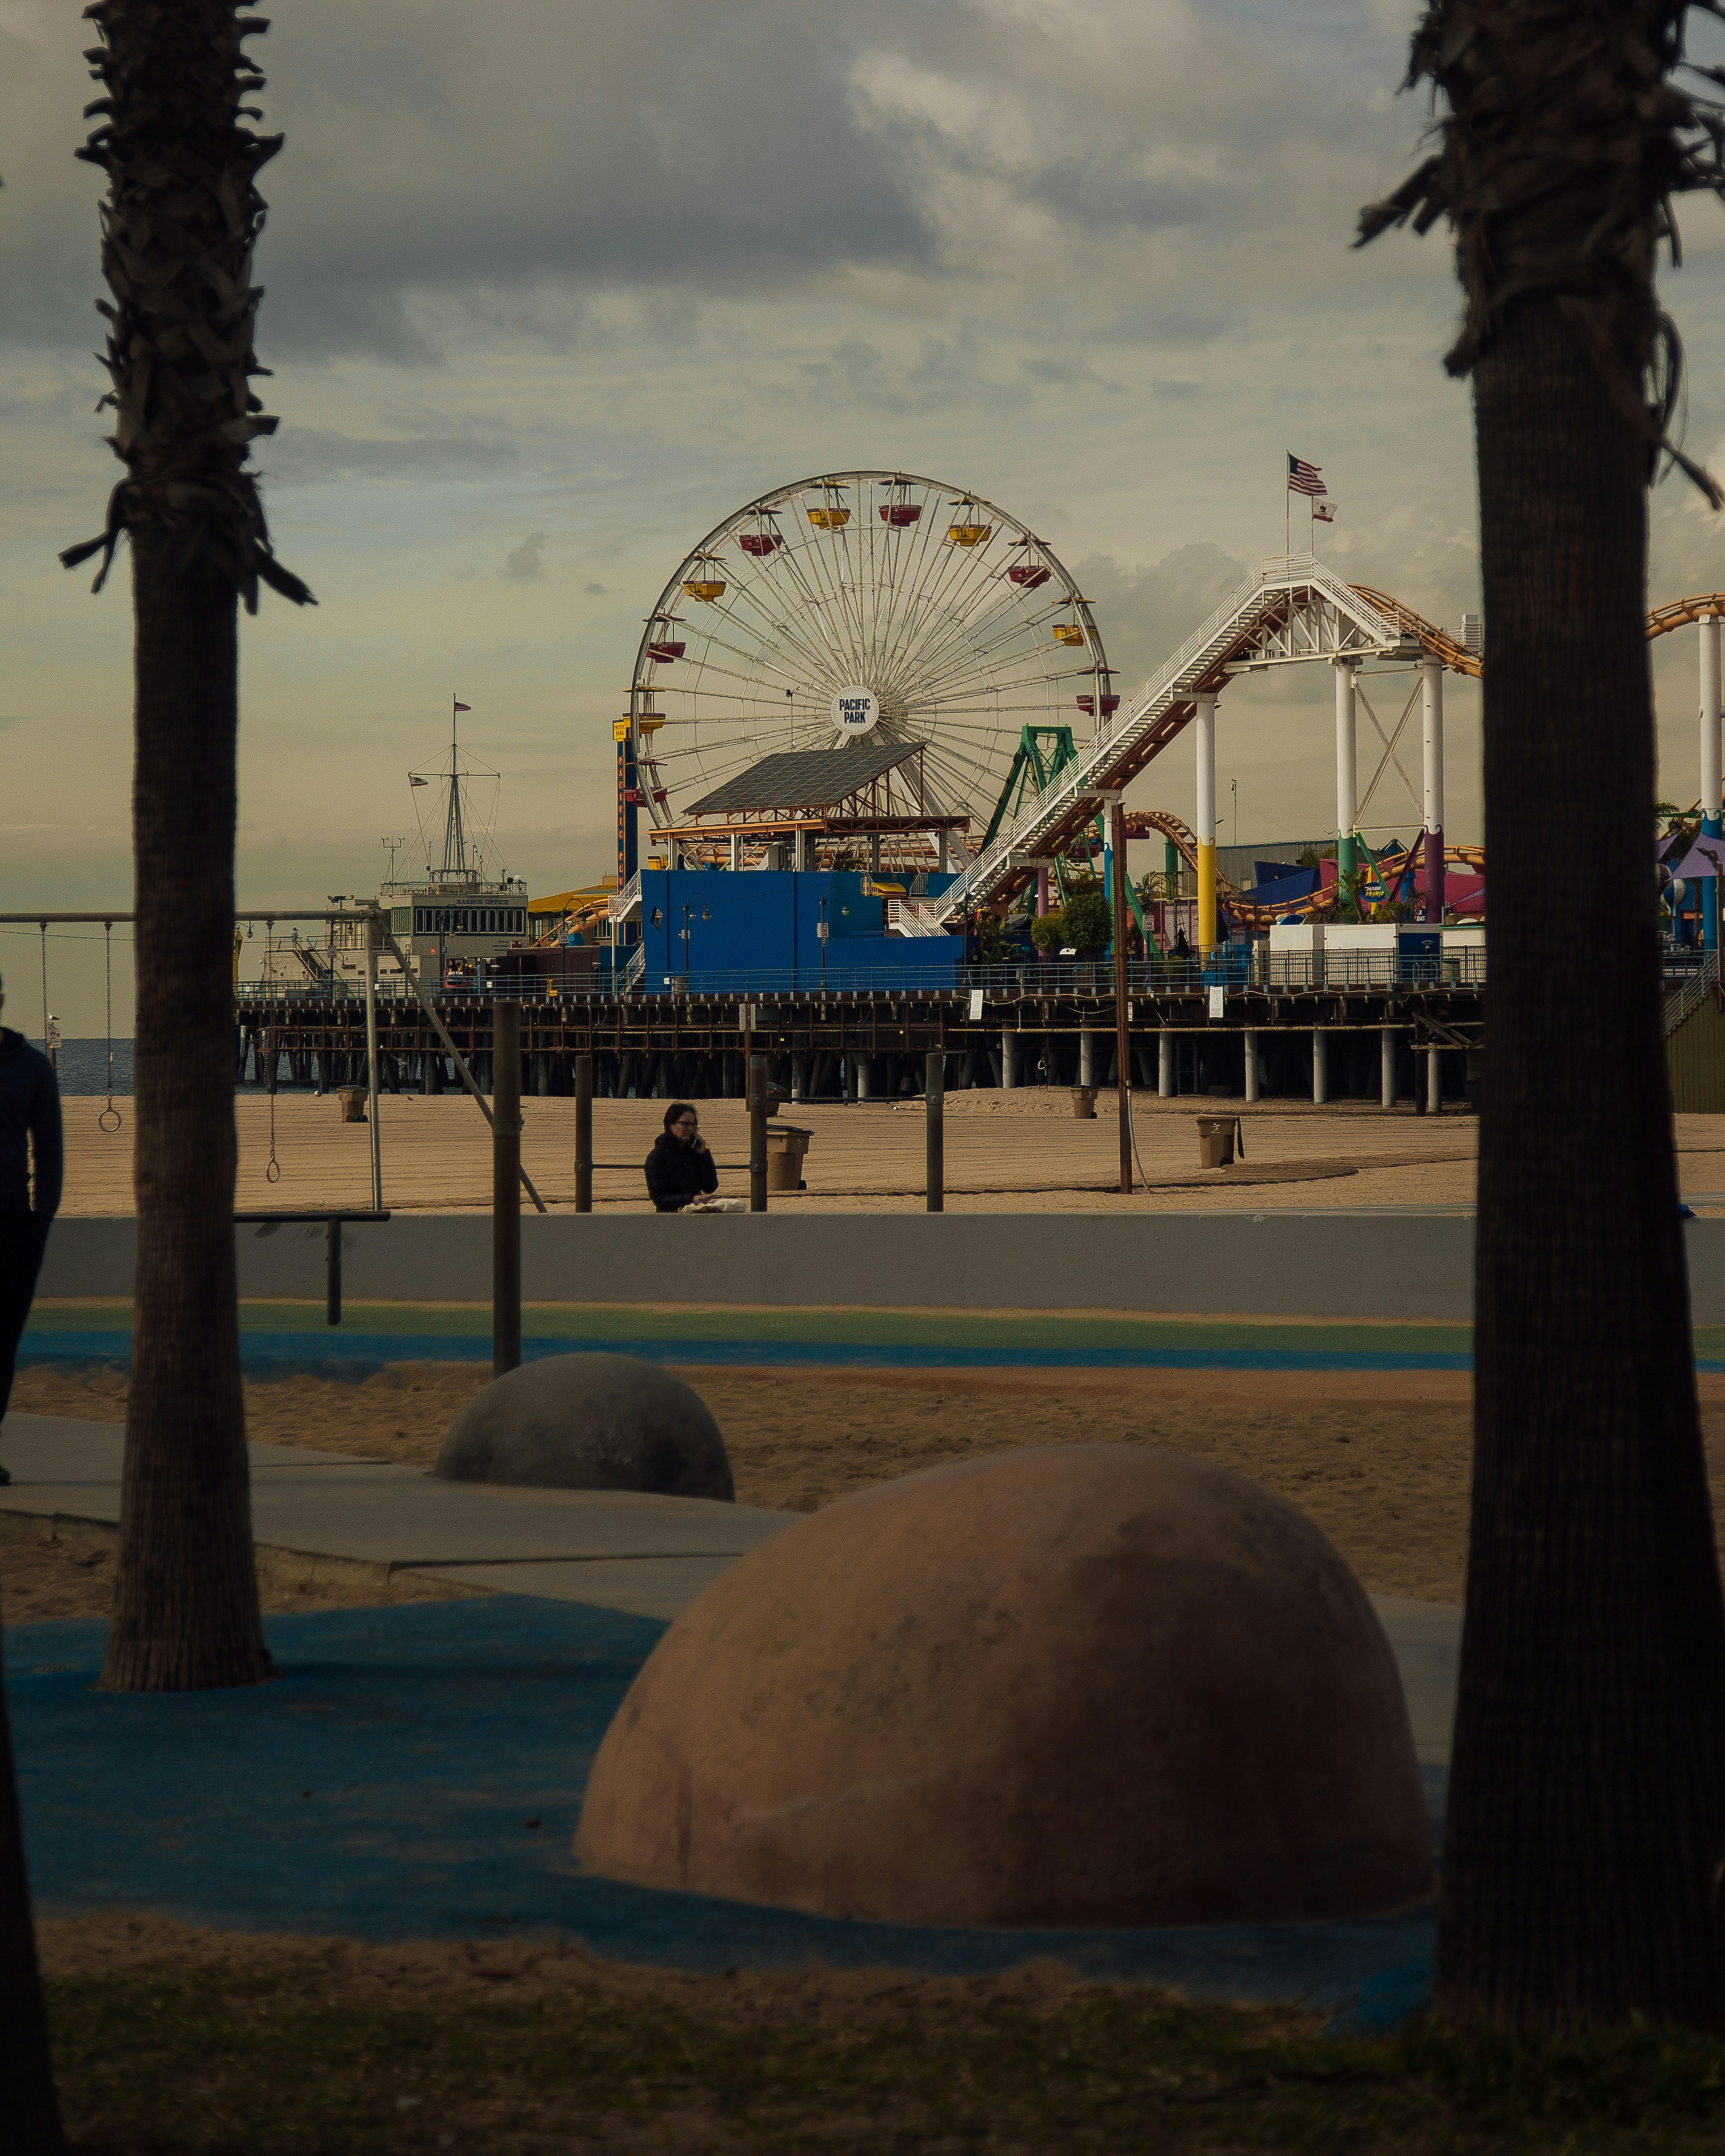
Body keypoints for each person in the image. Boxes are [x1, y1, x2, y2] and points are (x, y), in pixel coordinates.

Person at [0, 971, 63, 1485]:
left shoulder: (32, 1069)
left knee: (2, 1346)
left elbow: (50, 1149)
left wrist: (41, 1220)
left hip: (12, 1222)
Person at [644, 1101, 718, 1213]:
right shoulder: (657, 1156)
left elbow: (710, 1187)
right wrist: (691, 1199)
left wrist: (704, 1155)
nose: (690, 1129)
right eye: (685, 1124)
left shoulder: (694, 1153)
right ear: (671, 1125)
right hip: (670, 1217)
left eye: (693, 1125)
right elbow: (659, 1198)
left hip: (695, 1213)